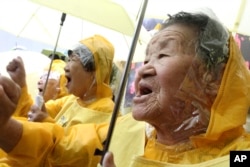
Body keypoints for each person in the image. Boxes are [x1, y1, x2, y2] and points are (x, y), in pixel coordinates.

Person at [1, 10, 250, 167]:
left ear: (212, 77)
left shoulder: (239, 157)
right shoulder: (125, 129)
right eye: (147, 58)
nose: (143, 70)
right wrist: (5, 126)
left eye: (163, 54)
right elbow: (58, 146)